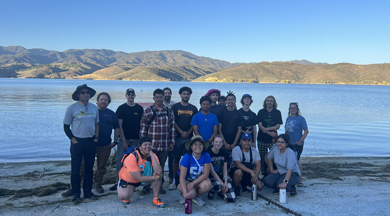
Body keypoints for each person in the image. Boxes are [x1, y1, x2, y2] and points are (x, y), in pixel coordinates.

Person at [63, 84, 99, 202]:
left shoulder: (94, 108)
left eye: (87, 92)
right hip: (77, 142)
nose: (85, 94)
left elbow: (96, 124)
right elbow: (66, 126)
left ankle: (88, 192)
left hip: (90, 142)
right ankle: (76, 194)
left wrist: (96, 138)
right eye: (83, 92)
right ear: (78, 94)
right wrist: (73, 139)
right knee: (76, 169)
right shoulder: (72, 108)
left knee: (89, 169)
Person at [140, 88, 175, 194]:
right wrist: (143, 145)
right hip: (151, 146)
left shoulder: (169, 111)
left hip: (164, 145)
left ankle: (158, 186)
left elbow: (172, 128)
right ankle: (146, 186)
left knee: (161, 166)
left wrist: (172, 142)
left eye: (161, 97)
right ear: (154, 98)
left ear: (164, 97)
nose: (159, 99)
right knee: (148, 167)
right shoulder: (148, 111)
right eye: (157, 97)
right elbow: (143, 128)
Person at [110, 88, 144, 191]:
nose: (130, 96)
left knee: (136, 162)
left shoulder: (139, 108)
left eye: (132, 94)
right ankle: (118, 181)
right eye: (128, 94)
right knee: (120, 161)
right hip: (123, 140)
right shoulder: (121, 108)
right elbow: (119, 125)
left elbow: (142, 124)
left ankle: (135, 181)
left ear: (134, 96)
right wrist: (124, 140)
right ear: (126, 96)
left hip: (136, 140)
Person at [117, 136, 165, 207]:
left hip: (145, 178)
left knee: (158, 174)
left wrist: (152, 155)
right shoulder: (132, 156)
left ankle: (156, 199)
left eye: (149, 144)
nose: (148, 146)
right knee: (123, 196)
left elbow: (159, 171)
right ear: (140, 147)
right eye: (145, 144)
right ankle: (128, 193)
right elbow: (138, 178)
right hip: (131, 180)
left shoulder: (152, 155)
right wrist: (154, 177)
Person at [168, 86, 198, 190]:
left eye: (188, 94)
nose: (186, 95)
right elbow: (173, 121)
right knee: (175, 159)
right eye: (184, 94)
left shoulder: (193, 108)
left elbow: (194, 123)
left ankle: (186, 180)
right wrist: (181, 132)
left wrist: (188, 132)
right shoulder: (175, 107)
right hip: (177, 138)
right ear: (180, 95)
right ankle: (174, 180)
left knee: (188, 160)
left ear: (190, 95)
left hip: (189, 138)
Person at [176, 135, 212, 206]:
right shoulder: (186, 157)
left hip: (197, 181)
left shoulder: (206, 155)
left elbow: (205, 174)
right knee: (190, 194)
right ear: (191, 146)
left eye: (200, 144)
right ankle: (184, 194)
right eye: (195, 144)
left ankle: (196, 196)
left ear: (203, 146)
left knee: (208, 184)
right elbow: (182, 177)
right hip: (186, 181)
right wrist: (185, 192)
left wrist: (193, 183)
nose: (198, 147)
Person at [94, 92, 120, 193]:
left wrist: (115, 141)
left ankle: (98, 184)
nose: (103, 101)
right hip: (90, 144)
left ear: (108, 102)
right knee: (84, 165)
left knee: (101, 166)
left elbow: (117, 128)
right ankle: (81, 185)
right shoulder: (92, 112)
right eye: (101, 99)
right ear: (97, 101)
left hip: (105, 144)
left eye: (105, 100)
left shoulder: (111, 114)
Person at [230, 133, 263, 197]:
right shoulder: (236, 149)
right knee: (238, 172)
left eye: (249, 141)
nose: (247, 143)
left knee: (260, 186)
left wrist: (255, 176)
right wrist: (251, 172)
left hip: (248, 174)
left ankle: (244, 184)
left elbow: (258, 165)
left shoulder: (255, 151)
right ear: (241, 141)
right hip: (237, 171)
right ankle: (236, 187)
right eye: (245, 140)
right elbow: (238, 164)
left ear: (252, 141)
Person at [257, 95, 283, 176]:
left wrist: (266, 130)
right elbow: (260, 125)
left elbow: (278, 125)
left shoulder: (277, 112)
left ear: (274, 103)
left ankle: (274, 172)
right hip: (261, 138)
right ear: (265, 102)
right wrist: (268, 132)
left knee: (274, 156)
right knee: (262, 157)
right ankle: (264, 173)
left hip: (273, 138)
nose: (269, 102)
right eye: (268, 101)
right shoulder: (261, 112)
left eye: (271, 101)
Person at [285, 102, 309, 186]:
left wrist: (301, 140)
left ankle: (300, 180)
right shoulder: (288, 119)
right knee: (289, 160)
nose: (292, 109)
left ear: (297, 109)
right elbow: (287, 131)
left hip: (297, 143)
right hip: (289, 143)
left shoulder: (301, 119)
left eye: (294, 108)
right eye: (291, 108)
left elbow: (306, 131)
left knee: (296, 160)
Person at [207, 135, 236, 202]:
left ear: (223, 143)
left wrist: (225, 181)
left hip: (222, 176)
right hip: (211, 176)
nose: (218, 144)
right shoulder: (208, 153)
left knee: (231, 199)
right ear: (213, 143)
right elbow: (212, 172)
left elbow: (225, 169)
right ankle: (211, 192)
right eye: (216, 142)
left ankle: (220, 193)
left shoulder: (224, 152)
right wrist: (222, 184)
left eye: (220, 142)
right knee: (218, 186)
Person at [163, 87, 175, 185]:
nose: (167, 94)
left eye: (168, 93)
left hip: (171, 135)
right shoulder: (158, 105)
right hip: (161, 136)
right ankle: (160, 178)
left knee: (172, 158)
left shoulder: (174, 105)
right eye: (165, 93)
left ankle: (171, 177)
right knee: (160, 159)